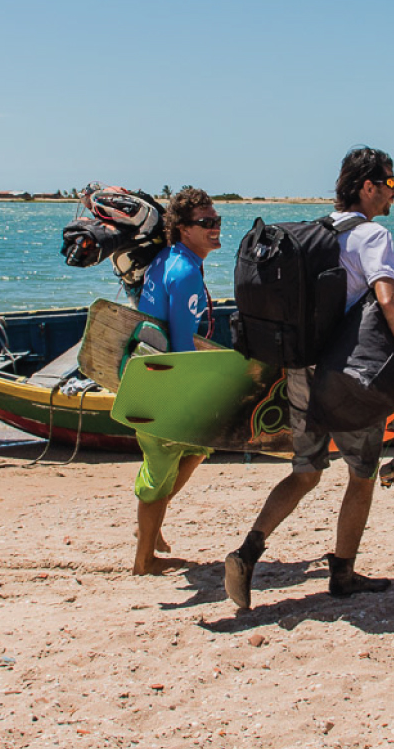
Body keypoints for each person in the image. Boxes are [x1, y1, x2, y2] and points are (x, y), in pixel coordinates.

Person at [223, 147, 394, 611]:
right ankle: (344, 573)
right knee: (362, 473)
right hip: (346, 376)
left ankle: (247, 552)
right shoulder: (373, 234)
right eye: (391, 184)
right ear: (368, 187)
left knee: (307, 471)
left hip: (301, 367)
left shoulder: (317, 231)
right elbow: (389, 299)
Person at [129, 188, 221, 575]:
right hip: (162, 382)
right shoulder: (184, 273)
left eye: (217, 221)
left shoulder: (168, 258)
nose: (215, 229)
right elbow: (183, 346)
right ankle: (144, 559)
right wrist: (195, 395)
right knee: (161, 467)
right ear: (183, 229)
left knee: (197, 449)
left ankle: (152, 530)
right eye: (206, 223)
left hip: (145, 368)